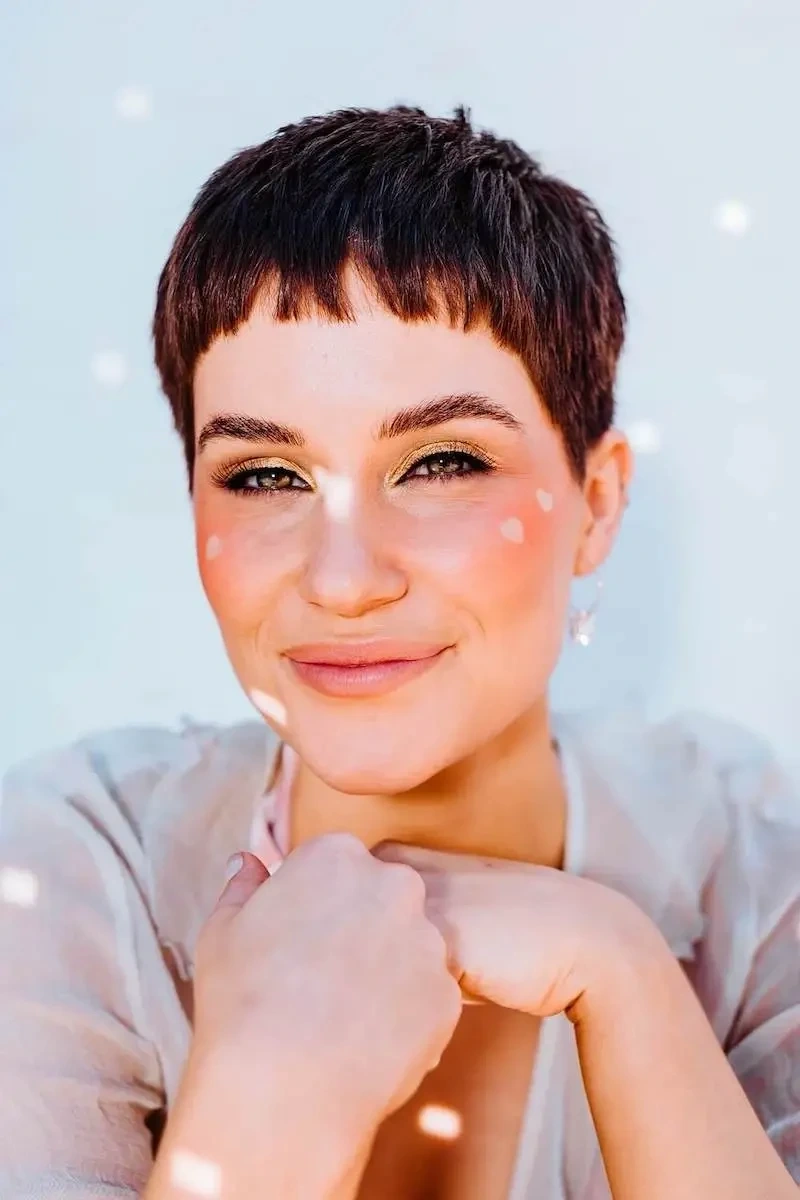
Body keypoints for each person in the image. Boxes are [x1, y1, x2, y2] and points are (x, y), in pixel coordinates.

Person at [1, 104, 797, 1200]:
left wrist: (622, 975)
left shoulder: (745, 880)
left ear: (597, 502)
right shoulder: (74, 879)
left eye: (440, 465)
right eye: (264, 476)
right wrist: (268, 1099)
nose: (341, 579)